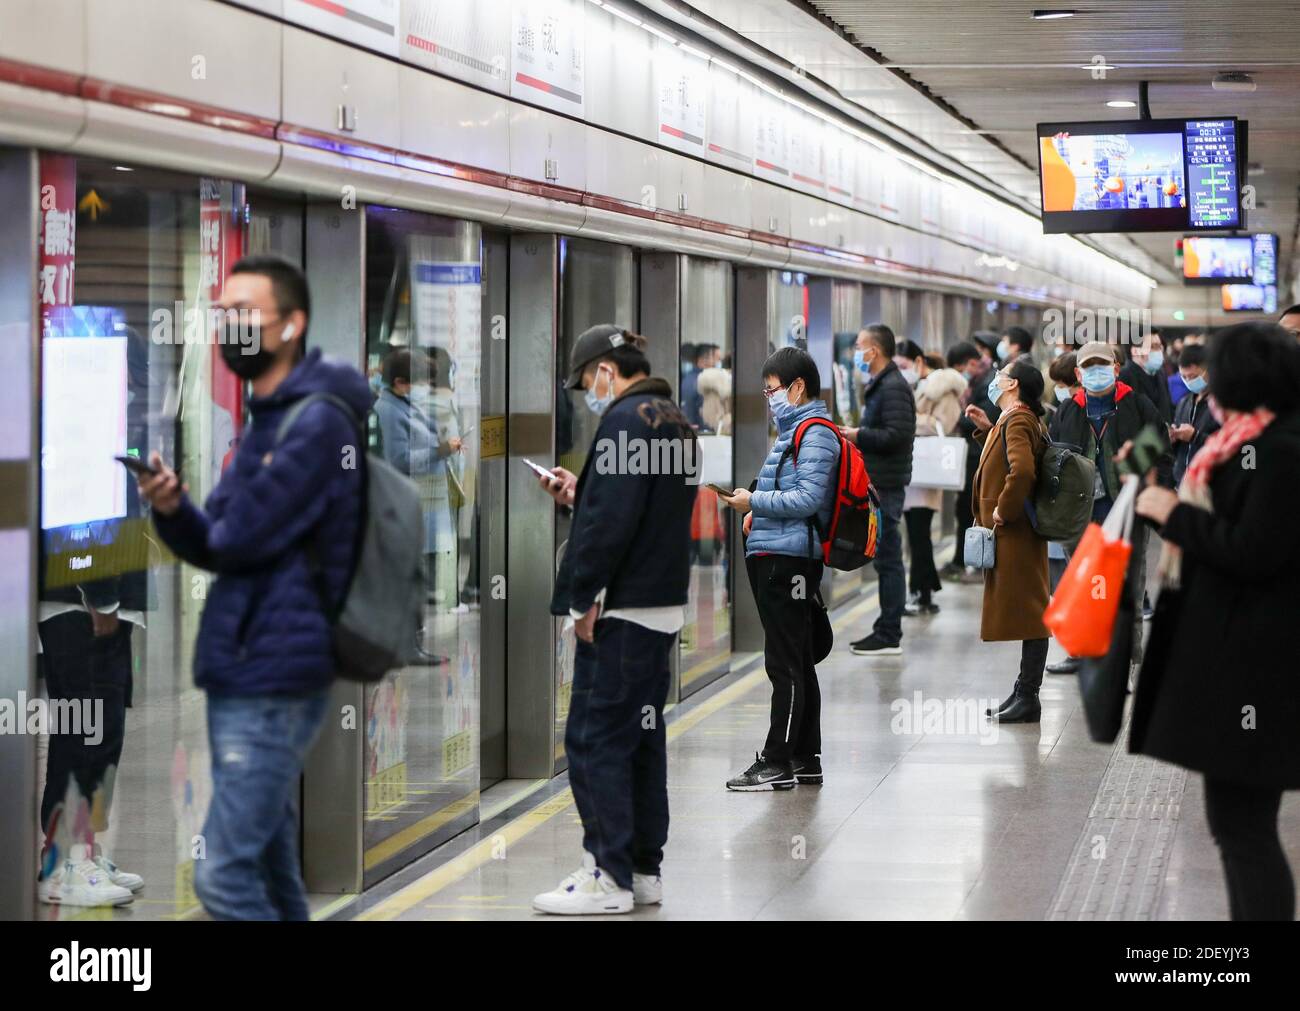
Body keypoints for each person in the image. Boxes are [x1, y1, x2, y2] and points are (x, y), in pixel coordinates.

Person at [135, 255, 372, 920]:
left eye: (246, 315)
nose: (230, 328)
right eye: (223, 315)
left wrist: (204, 522)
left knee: (220, 874)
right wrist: (174, 506)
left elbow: (236, 538)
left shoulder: (316, 423)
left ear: (291, 325)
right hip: (249, 664)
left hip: (274, 675)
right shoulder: (269, 418)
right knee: (269, 865)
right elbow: (217, 541)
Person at [1129, 321, 1300, 920]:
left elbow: (1254, 551)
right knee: (1237, 825)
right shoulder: (1250, 437)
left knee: (1243, 827)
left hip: (1261, 664)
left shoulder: (1280, 451)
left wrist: (1175, 515)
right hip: (1244, 656)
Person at [532, 324, 696, 916]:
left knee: (594, 739)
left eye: (586, 382)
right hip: (662, 604)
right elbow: (640, 504)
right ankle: (643, 870)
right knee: (642, 740)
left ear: (606, 368)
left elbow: (612, 527)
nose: (588, 393)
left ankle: (606, 874)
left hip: (622, 609)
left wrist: (583, 599)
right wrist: (586, 492)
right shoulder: (674, 419)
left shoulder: (625, 420)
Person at [718, 347, 838, 790]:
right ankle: (806, 758)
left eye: (772, 390)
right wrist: (757, 512)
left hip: (788, 562)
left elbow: (808, 499)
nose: (769, 399)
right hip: (782, 553)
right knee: (798, 660)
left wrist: (754, 502)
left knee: (784, 663)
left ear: (797, 387)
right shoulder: (796, 432)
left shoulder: (814, 432)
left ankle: (777, 761)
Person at [1044, 340, 1171, 674]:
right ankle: (1081, 651)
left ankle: (1126, 661)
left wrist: (1134, 473)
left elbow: (1159, 446)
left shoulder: (1137, 404)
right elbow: (1055, 457)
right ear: (1078, 372)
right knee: (1082, 584)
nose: (1095, 373)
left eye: (1103, 366)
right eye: (1088, 367)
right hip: (1081, 514)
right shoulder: (1071, 409)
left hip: (1125, 511)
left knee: (1127, 587)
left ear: (1116, 368)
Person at [964, 359, 1052, 723]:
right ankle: (1022, 691)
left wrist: (1004, 508)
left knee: (1032, 613)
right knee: (1029, 609)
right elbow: (1009, 459)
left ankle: (1028, 695)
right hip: (1015, 533)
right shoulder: (1013, 418)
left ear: (1012, 384)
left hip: (1015, 531)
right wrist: (988, 431)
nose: (995, 379)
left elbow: (1023, 470)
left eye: (1001, 375)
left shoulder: (1017, 419)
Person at [839, 324, 915, 657]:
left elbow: (897, 434)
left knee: (888, 558)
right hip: (880, 480)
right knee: (885, 557)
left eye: (860, 346)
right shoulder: (882, 384)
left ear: (875, 350)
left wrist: (858, 434)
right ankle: (885, 628)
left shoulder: (893, 387)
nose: (857, 352)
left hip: (885, 483)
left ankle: (889, 633)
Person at [374, 348, 463, 613]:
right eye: (420, 382)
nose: (424, 388)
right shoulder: (387, 411)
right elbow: (399, 459)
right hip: (406, 500)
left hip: (423, 497)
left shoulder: (402, 404)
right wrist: (441, 450)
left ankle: (415, 638)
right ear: (400, 383)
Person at [900, 344, 965, 616]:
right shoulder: (920, 388)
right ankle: (922, 590)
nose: (902, 372)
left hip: (927, 472)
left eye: (904, 366)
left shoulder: (943, 389)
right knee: (915, 535)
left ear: (918, 361)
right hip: (913, 471)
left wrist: (907, 419)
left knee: (919, 534)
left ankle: (923, 592)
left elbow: (944, 424)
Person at [942, 340, 986, 579]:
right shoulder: (972, 383)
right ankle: (961, 559)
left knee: (972, 509)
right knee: (964, 509)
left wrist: (960, 418)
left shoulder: (983, 383)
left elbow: (984, 419)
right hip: (968, 455)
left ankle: (974, 562)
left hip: (976, 456)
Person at [1169, 342, 1219, 486]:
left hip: (1209, 484)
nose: (1188, 381)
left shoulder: (1224, 406)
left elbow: (1231, 447)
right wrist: (1173, 437)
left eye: (1193, 376)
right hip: (1182, 482)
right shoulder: (1184, 402)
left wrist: (1195, 437)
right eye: (1184, 377)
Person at [1120, 329, 1174, 424]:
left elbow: (1168, 410)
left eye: (1159, 346)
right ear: (1135, 351)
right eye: (1153, 347)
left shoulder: (1160, 374)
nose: (1159, 351)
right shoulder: (1123, 377)